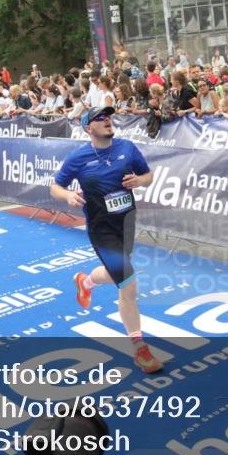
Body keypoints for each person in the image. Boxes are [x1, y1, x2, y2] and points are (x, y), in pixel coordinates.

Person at [51, 106, 161, 374]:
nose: (107, 120)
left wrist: (140, 180)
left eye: (108, 116)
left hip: (126, 222)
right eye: (100, 118)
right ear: (89, 127)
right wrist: (68, 197)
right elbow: (55, 186)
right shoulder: (79, 157)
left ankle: (85, 281)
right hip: (101, 229)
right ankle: (140, 348)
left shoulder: (127, 148)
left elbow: (149, 176)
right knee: (129, 284)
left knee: (119, 275)